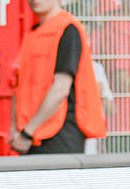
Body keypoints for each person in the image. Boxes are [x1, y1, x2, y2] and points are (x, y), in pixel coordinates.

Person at [9, 0, 106, 155]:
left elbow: (60, 90)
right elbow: (19, 85)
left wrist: (26, 132)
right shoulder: (32, 34)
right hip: (32, 134)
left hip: (59, 136)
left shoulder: (68, 30)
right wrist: (16, 129)